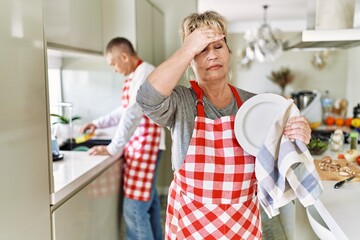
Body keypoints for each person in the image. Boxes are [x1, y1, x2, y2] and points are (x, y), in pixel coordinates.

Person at [136, 11, 311, 239]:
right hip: (192, 223)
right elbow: (146, 99)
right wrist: (188, 48)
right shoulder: (181, 102)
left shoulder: (255, 105)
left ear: (228, 52)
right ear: (190, 60)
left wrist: (298, 136)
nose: (212, 56)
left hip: (242, 223)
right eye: (201, 49)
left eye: (218, 46)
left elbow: (280, 156)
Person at [80, 37, 164, 240]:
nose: (114, 69)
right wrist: (98, 123)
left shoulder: (145, 73)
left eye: (113, 64)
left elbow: (132, 113)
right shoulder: (136, 74)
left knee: (134, 210)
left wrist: (111, 148)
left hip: (145, 146)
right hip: (140, 145)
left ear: (124, 56)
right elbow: (124, 110)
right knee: (149, 206)